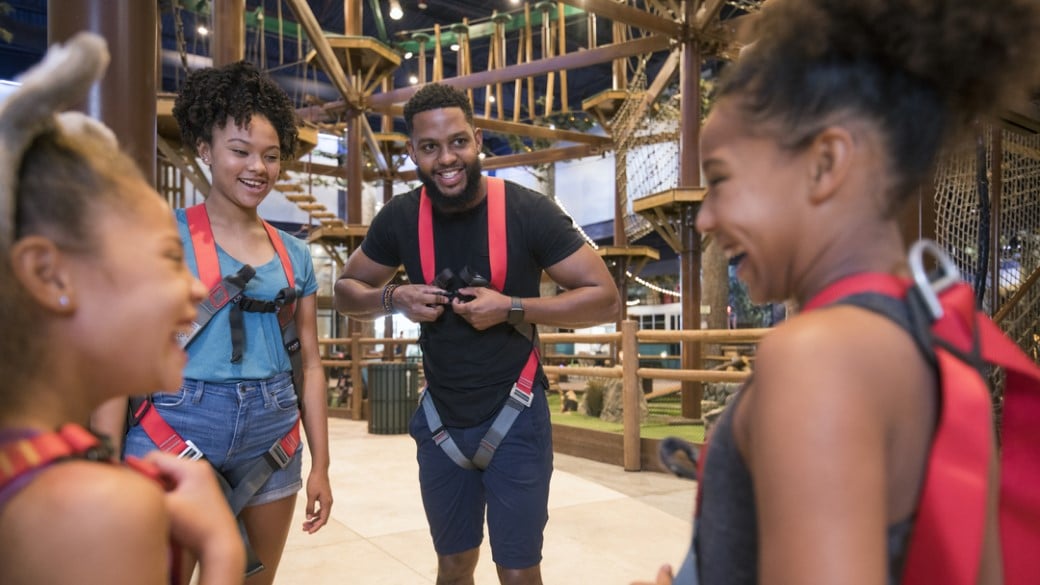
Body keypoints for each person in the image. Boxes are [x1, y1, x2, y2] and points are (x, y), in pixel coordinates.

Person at [636, 0, 1040, 584]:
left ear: (825, 162)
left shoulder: (817, 357)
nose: (705, 219)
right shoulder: (939, 338)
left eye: (721, 180)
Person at [334, 82, 619, 585]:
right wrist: (394, 297)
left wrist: (512, 307)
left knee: (518, 572)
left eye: (458, 142)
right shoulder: (401, 217)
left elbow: (604, 297)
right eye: (430, 147)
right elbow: (346, 290)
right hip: (441, 422)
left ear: (478, 138)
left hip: (515, 418)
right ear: (412, 152)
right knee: (453, 566)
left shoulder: (528, 211)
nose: (447, 158)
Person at [0, 32, 244, 584]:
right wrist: (221, 550)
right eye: (165, 257)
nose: (192, 289)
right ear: (49, 273)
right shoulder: (96, 509)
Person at [102, 60, 333, 585]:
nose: (259, 167)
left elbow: (311, 365)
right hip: (175, 423)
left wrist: (321, 463)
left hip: (273, 433)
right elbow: (120, 353)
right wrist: (103, 455)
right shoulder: (160, 234)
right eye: (241, 151)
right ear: (204, 150)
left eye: (271, 156)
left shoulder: (294, 254)